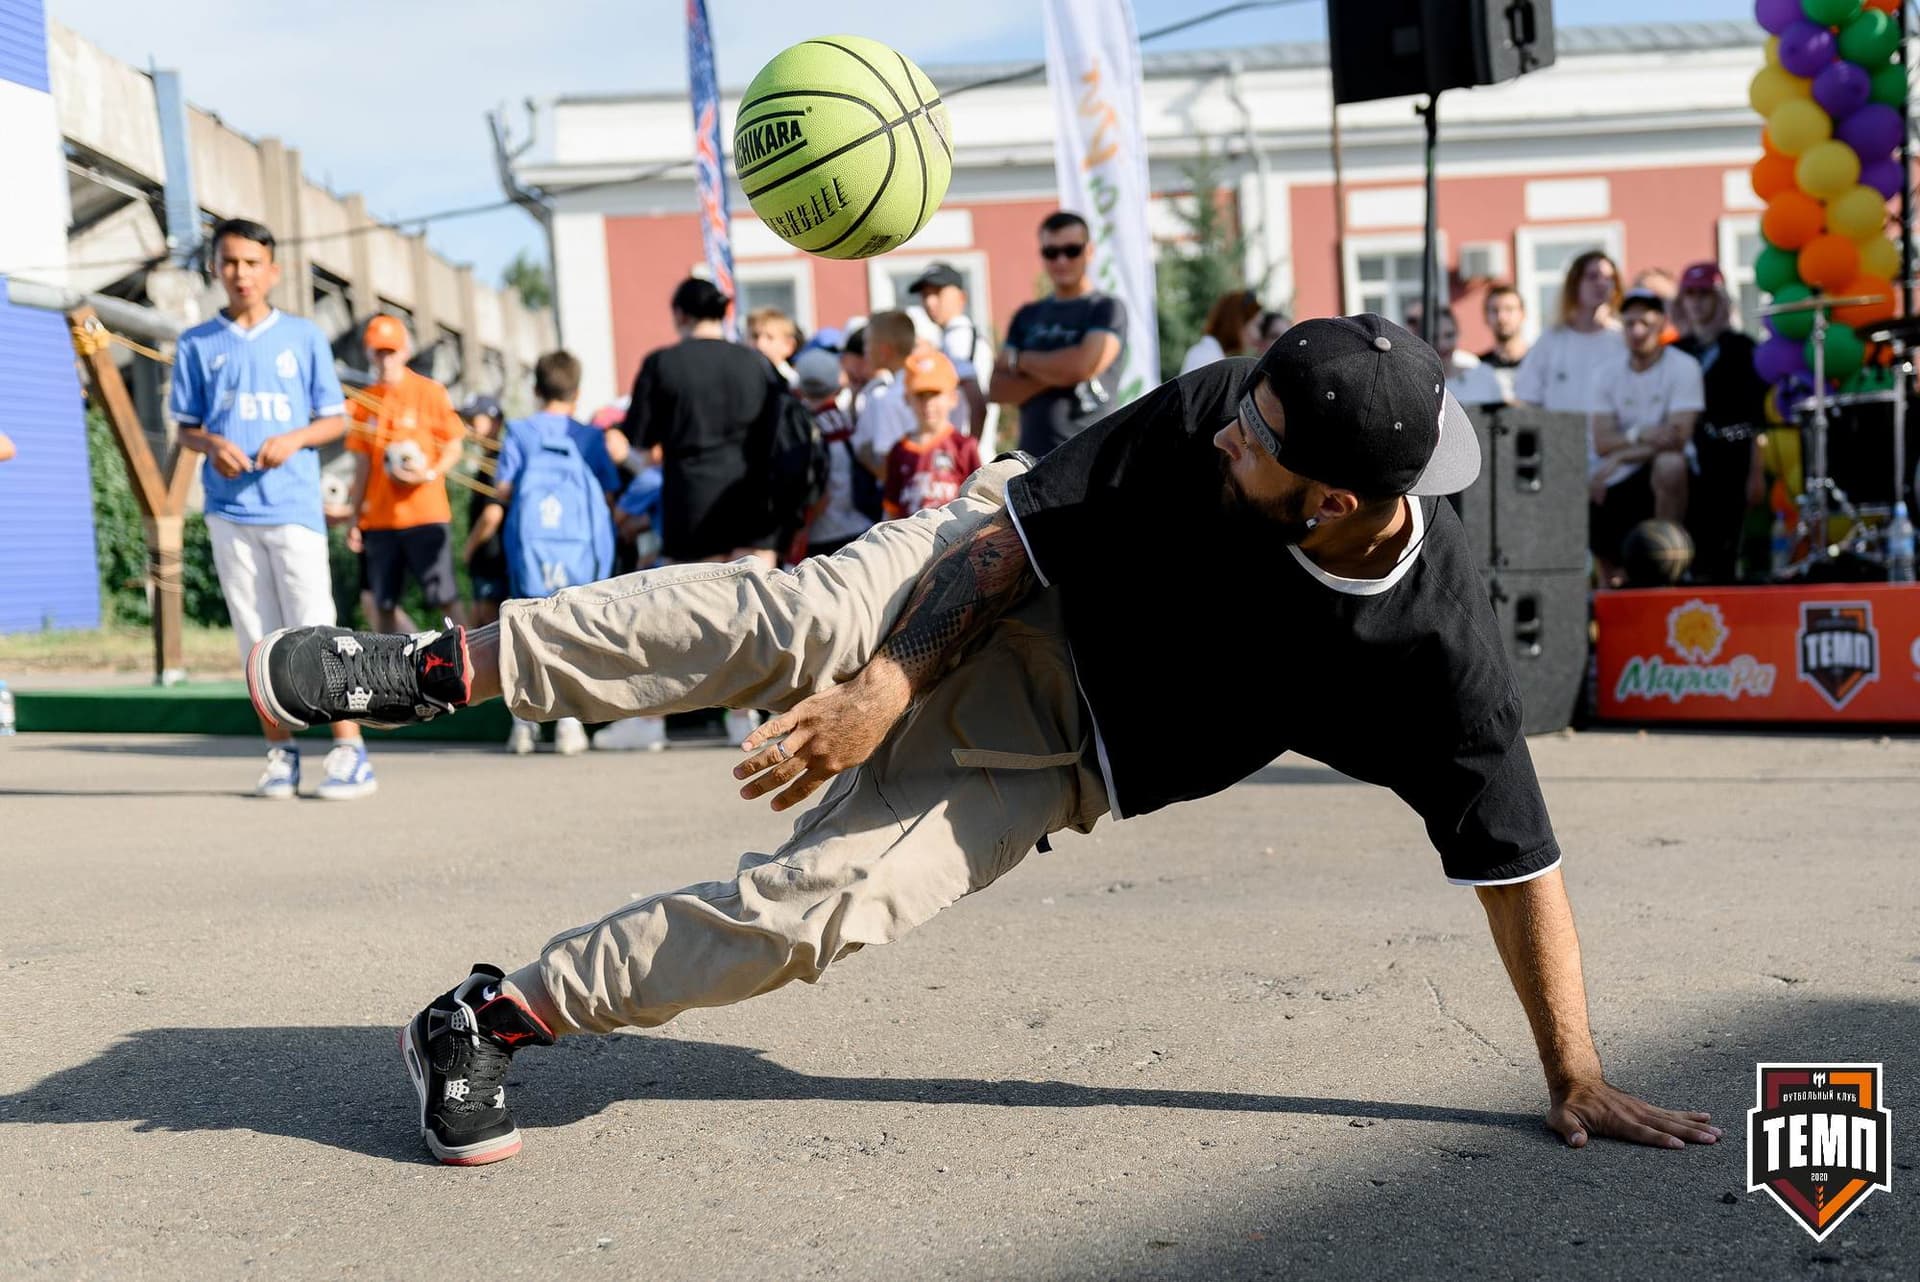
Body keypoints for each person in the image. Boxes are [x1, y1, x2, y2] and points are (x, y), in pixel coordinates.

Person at [248, 313, 1719, 1168]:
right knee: (792, 617)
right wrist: (881, 684)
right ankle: (439, 662)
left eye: (1260, 441)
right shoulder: (1221, 405)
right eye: (1244, 408)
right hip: (993, 576)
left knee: (828, 911)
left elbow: (1517, 863)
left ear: (1334, 501)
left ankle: (491, 1019)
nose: (1226, 431)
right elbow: (1011, 544)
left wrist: (1574, 1069)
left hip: (1065, 742)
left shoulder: (1434, 657)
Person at [173, 217, 371, 801]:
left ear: (273, 271)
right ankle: (280, 753)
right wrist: (214, 445)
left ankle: (350, 750)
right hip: (230, 510)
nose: (240, 274)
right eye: (229, 262)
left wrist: (295, 439)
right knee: (254, 637)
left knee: (318, 629)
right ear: (215, 267)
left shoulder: (304, 337)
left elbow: (336, 418)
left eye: (251, 263)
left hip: (292, 507)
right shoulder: (196, 343)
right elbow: (185, 427)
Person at [465, 351, 623, 755]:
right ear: (577, 392)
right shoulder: (587, 436)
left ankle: (523, 724)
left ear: (536, 389)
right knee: (576, 629)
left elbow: (502, 495)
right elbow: (607, 495)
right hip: (579, 552)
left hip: (531, 552)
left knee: (525, 627)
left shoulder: (519, 432)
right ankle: (571, 723)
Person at [621, 278, 784, 566]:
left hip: (689, 505)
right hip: (754, 505)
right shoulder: (757, 363)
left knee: (696, 605)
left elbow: (641, 445)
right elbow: (779, 434)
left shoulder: (661, 364)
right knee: (754, 604)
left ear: (681, 315)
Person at [344, 315, 466, 636]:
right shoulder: (363, 402)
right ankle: (390, 675)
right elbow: (361, 465)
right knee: (382, 602)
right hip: (380, 519)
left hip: (424, 514)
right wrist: (354, 516)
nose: (386, 359)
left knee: (444, 596)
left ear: (405, 351)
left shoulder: (429, 392)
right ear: (369, 353)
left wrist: (428, 473)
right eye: (379, 352)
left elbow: (454, 444)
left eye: (391, 351)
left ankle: (470, 661)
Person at [1588, 289, 1705, 585]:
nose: (1637, 331)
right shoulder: (1605, 373)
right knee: (1581, 482)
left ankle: (1667, 562)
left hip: (1662, 474)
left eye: (1646, 323)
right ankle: (1608, 582)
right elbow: (1602, 441)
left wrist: (1623, 451)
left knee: (1670, 465)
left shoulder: (1683, 366)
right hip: (1619, 473)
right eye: (1630, 323)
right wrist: (1642, 434)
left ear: (1663, 323)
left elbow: (1678, 438)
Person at [990, 210, 1127, 456]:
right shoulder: (1027, 315)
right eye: (1051, 253)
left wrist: (1019, 361)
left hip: (1091, 457)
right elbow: (998, 389)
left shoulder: (1106, 308)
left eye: (1072, 250)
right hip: (1033, 461)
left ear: (1089, 251)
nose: (1061, 261)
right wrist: (1061, 371)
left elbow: (1083, 365)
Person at [1674, 262, 1767, 584]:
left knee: (1728, 545)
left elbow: (1757, 417)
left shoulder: (1742, 348)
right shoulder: (1674, 351)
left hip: (1732, 458)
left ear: (1720, 299)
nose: (1697, 302)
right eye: (1690, 294)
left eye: (1704, 294)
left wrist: (1756, 471)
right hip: (1689, 459)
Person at [1514, 251, 1625, 416]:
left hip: (1610, 439)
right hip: (1563, 438)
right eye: (1592, 276)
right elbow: (1527, 398)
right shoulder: (1550, 340)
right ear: (1575, 284)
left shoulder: (1622, 340)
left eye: (1609, 278)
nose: (1601, 283)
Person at [908, 261, 998, 454]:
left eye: (938, 292)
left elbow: (976, 400)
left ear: (961, 297)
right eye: (925, 294)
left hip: (969, 462)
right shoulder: (957, 335)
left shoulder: (958, 335)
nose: (930, 301)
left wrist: (967, 455)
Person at [793, 347, 874, 557]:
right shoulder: (845, 420)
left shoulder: (805, 428)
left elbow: (819, 491)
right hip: (860, 525)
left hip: (823, 533)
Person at [882, 351, 983, 519]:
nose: (928, 404)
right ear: (907, 398)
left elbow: (978, 505)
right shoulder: (899, 451)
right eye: (920, 396)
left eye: (935, 394)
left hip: (954, 540)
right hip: (910, 541)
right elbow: (891, 510)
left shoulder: (964, 447)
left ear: (953, 398)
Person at [458, 395, 509, 629]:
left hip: (491, 560)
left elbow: (492, 515)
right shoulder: (495, 460)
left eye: (474, 420)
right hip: (490, 562)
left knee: (488, 630)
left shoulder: (495, 462)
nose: (469, 426)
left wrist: (468, 548)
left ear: (495, 422)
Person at [850, 310, 919, 475]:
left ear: (884, 350)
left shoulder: (887, 398)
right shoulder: (925, 383)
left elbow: (887, 469)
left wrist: (862, 452)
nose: (864, 351)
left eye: (867, 343)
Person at [1180, 289, 1264, 374]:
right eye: (1256, 325)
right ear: (1237, 323)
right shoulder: (1207, 358)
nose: (1257, 335)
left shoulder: (1211, 355)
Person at [1436, 308, 1506, 407]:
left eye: (1449, 335)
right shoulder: (1420, 384)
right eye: (1435, 337)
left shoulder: (1483, 375)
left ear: (1458, 333)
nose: (1442, 344)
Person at [1479, 284, 1529, 402]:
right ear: (1486, 317)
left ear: (1523, 314)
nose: (1501, 317)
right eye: (1495, 311)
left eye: (1509, 309)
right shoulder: (1478, 367)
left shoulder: (1539, 363)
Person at [747, 307, 802, 386]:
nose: (760, 343)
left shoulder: (794, 382)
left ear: (788, 345)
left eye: (770, 337)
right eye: (755, 336)